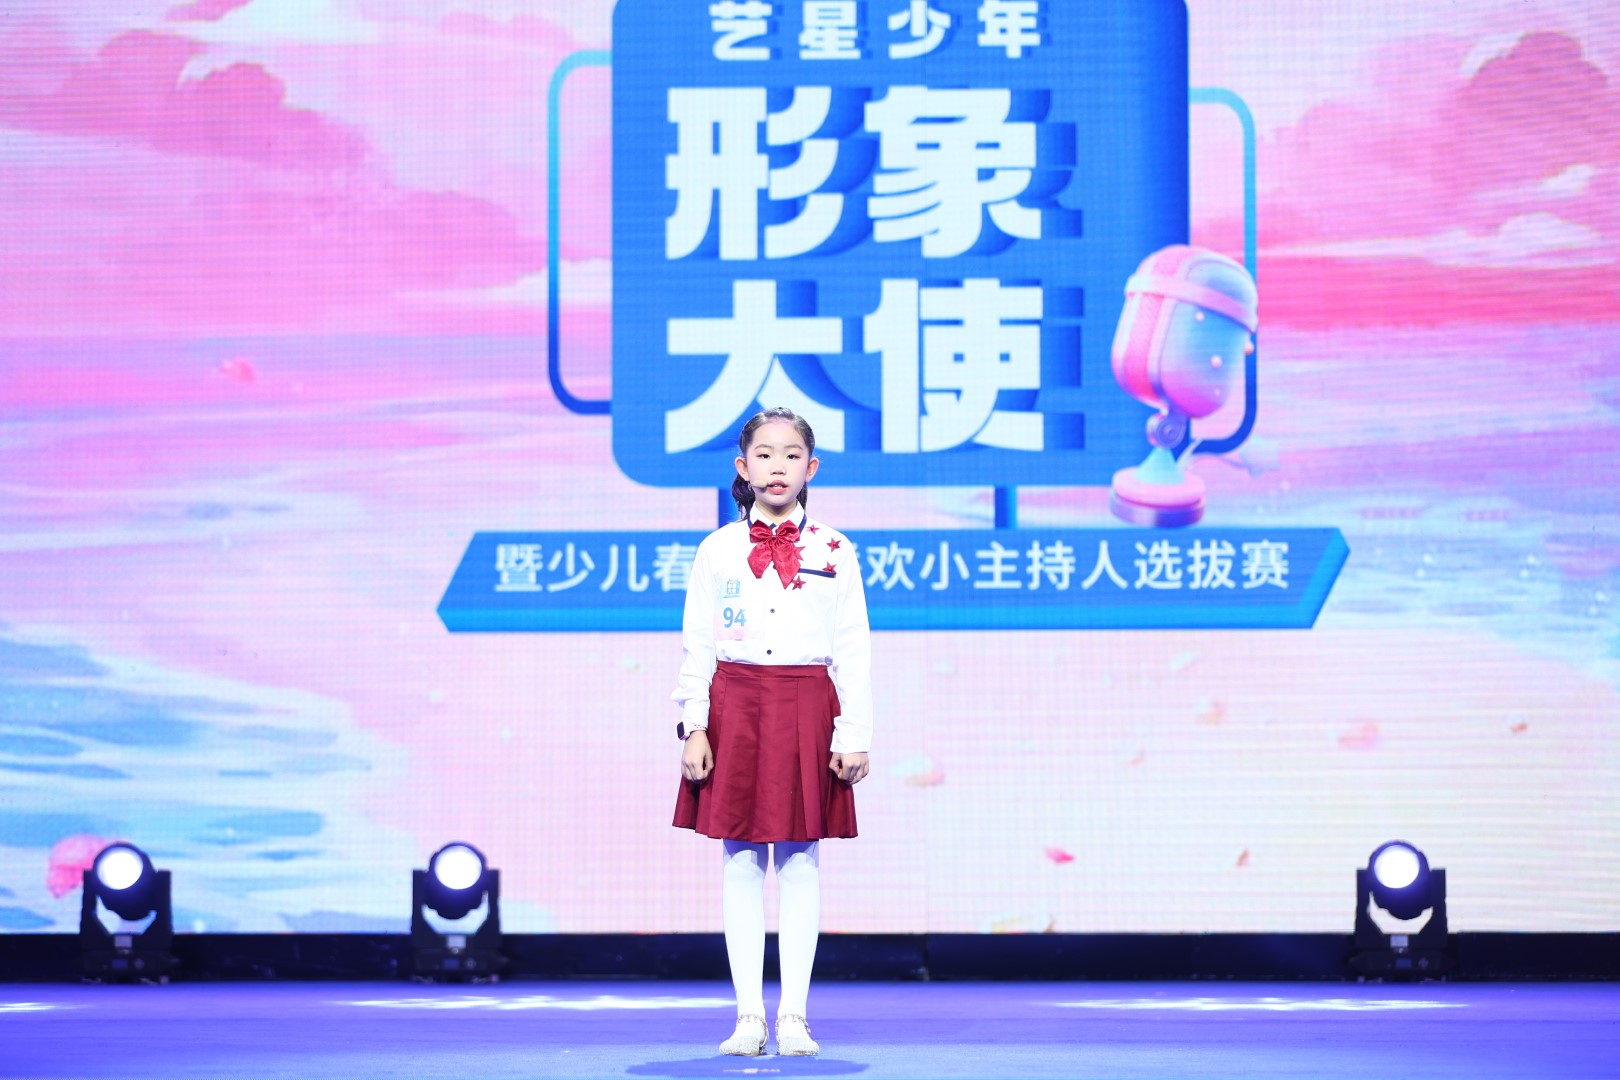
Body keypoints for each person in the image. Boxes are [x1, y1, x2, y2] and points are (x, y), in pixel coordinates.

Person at [672, 407, 872, 1058]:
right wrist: (694, 725)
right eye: (764, 454)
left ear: (811, 468)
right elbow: (697, 642)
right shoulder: (717, 549)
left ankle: (794, 1017)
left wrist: (854, 731)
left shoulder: (836, 549)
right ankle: (747, 1017)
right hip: (734, 702)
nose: (777, 466)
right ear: (743, 466)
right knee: (738, 860)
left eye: (790, 455)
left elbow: (853, 646)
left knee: (800, 860)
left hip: (806, 701)